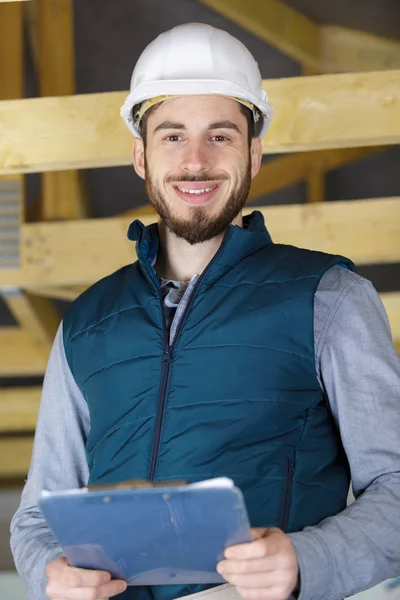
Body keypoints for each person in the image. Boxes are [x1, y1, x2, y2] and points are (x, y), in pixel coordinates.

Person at [10, 21, 400, 600]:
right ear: (140, 156)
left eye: (220, 135)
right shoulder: (85, 323)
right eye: (172, 137)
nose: (195, 162)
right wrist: (51, 573)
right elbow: (36, 518)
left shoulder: (328, 297)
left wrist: (305, 561)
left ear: (254, 152)